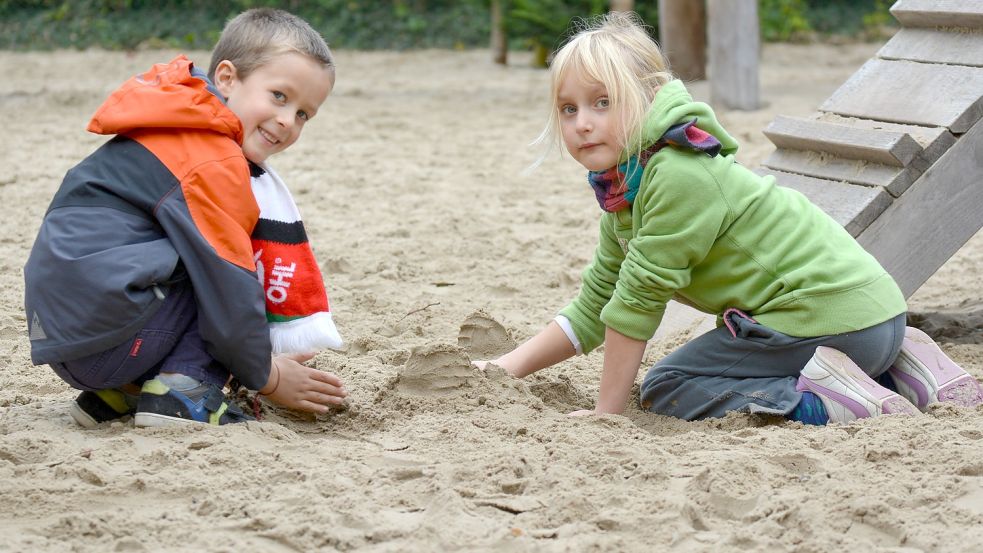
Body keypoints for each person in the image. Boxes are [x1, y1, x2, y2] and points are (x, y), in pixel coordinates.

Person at [477, 12, 983, 425]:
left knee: (667, 387)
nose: (583, 122)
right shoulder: (629, 189)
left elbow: (636, 305)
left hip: (832, 321)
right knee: (698, 365)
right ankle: (911, 367)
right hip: (876, 316)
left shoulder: (676, 175)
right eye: (569, 109)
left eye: (603, 103)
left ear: (647, 98)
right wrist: (505, 369)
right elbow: (597, 303)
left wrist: (607, 413)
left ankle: (833, 401)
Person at [23, 8, 347, 427]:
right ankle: (184, 390)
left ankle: (123, 393)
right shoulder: (212, 159)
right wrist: (268, 376)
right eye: (279, 96)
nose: (287, 121)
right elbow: (228, 289)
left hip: (65, 336)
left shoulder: (175, 122)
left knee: (188, 254)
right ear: (228, 79)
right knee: (222, 273)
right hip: (109, 338)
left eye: (304, 114)